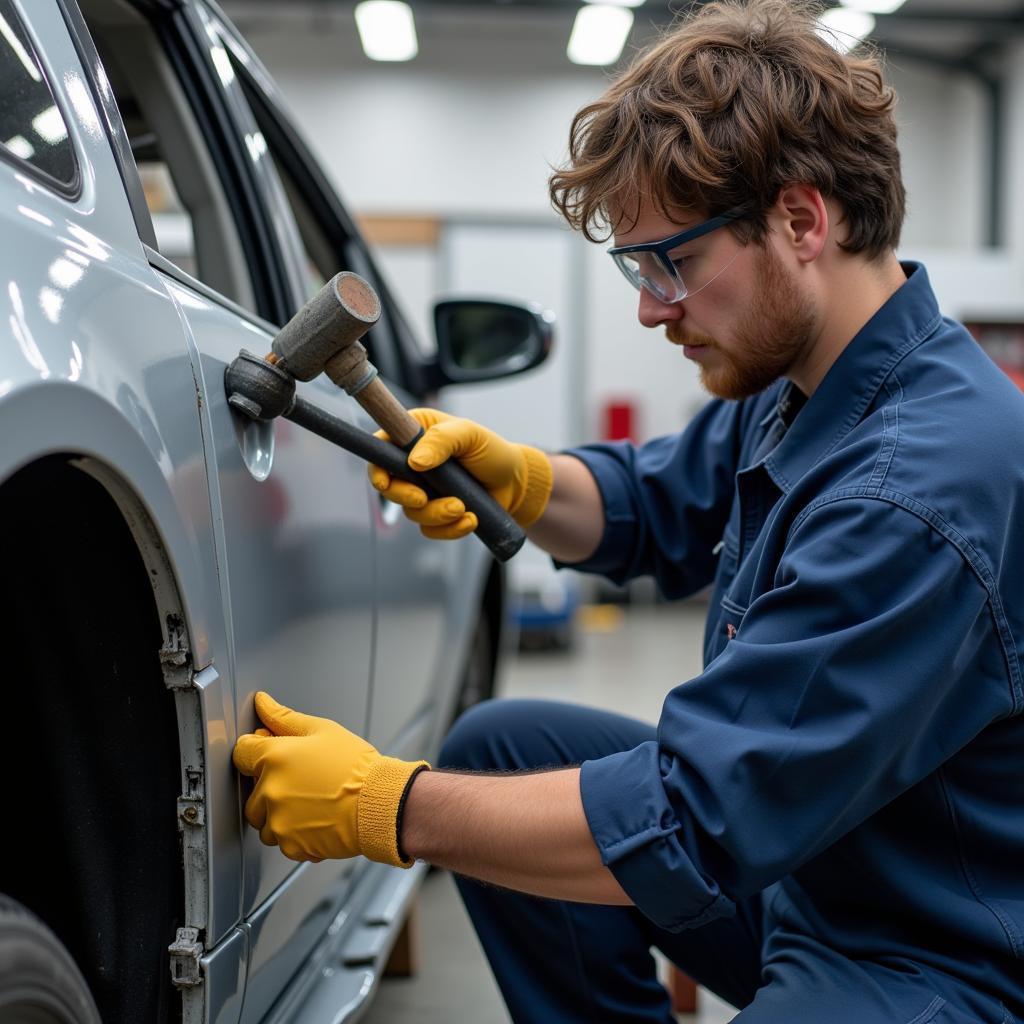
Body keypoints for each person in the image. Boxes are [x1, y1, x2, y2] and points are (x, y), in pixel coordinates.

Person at [232, 1, 1024, 1020]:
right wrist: (511, 474)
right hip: (807, 865)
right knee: (501, 745)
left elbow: (699, 818)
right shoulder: (811, 383)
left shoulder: (917, 485)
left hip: (925, 948)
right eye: (637, 267)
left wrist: (391, 808)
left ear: (800, 220)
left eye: (674, 263)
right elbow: (651, 502)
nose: (651, 307)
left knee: (497, 801)